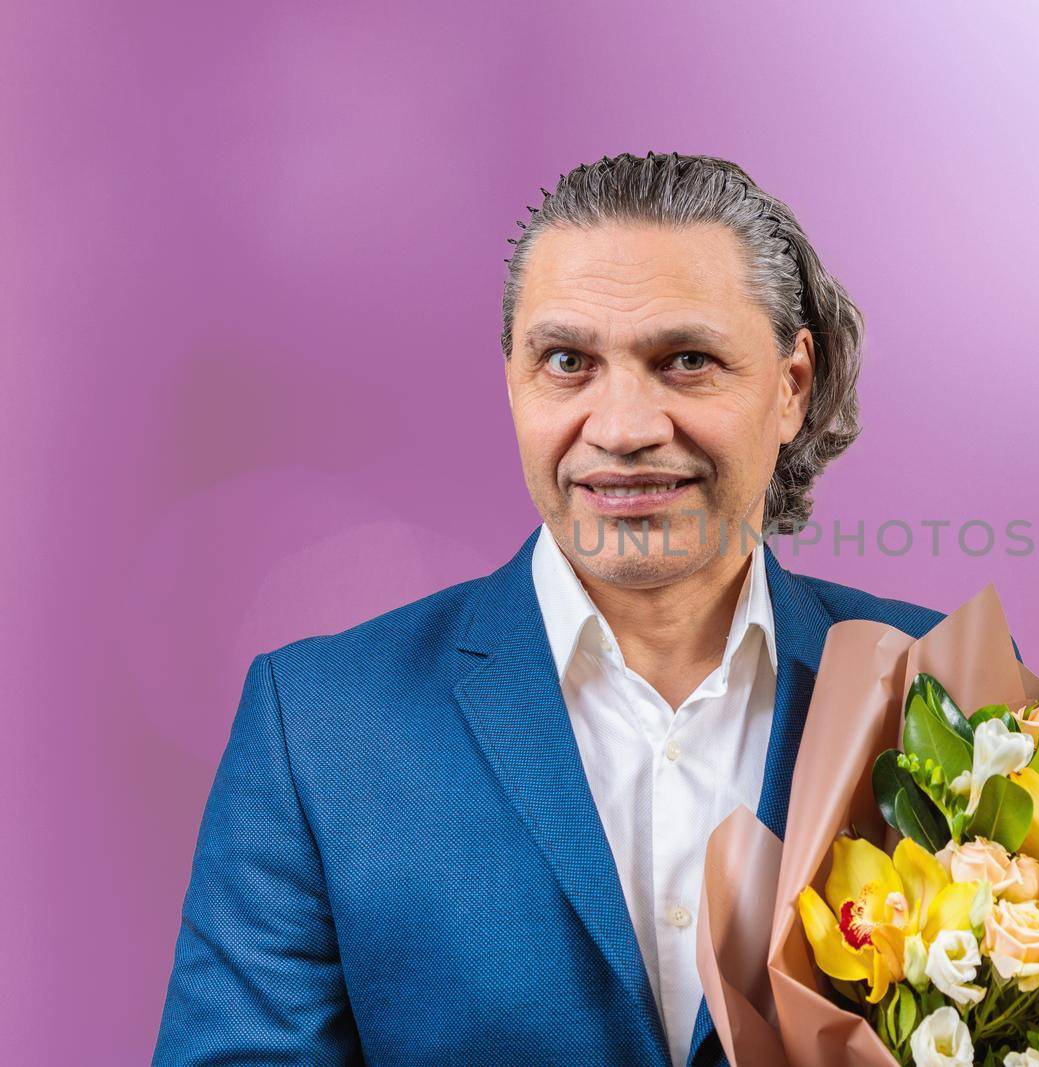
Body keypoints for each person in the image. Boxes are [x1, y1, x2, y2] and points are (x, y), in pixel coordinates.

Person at [153, 152, 954, 1066]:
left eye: (686, 361)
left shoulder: (934, 688)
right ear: (513, 380)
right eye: (568, 361)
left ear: (791, 385)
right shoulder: (320, 728)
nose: (621, 427)